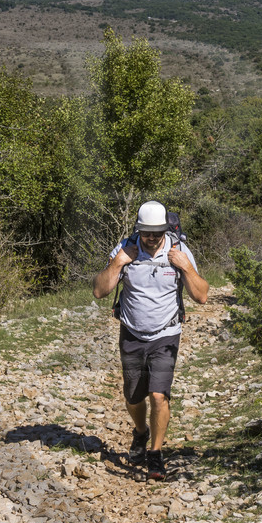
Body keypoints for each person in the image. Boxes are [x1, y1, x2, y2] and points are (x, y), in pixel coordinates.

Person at [92, 200, 209, 480]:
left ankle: (155, 454)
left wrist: (187, 268)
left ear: (166, 229)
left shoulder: (179, 251)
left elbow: (202, 295)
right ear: (139, 229)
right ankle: (141, 432)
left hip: (166, 334)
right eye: (147, 232)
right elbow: (99, 291)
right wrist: (119, 262)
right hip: (131, 332)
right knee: (133, 395)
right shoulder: (125, 249)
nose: (152, 238)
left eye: (158, 232)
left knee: (158, 395)